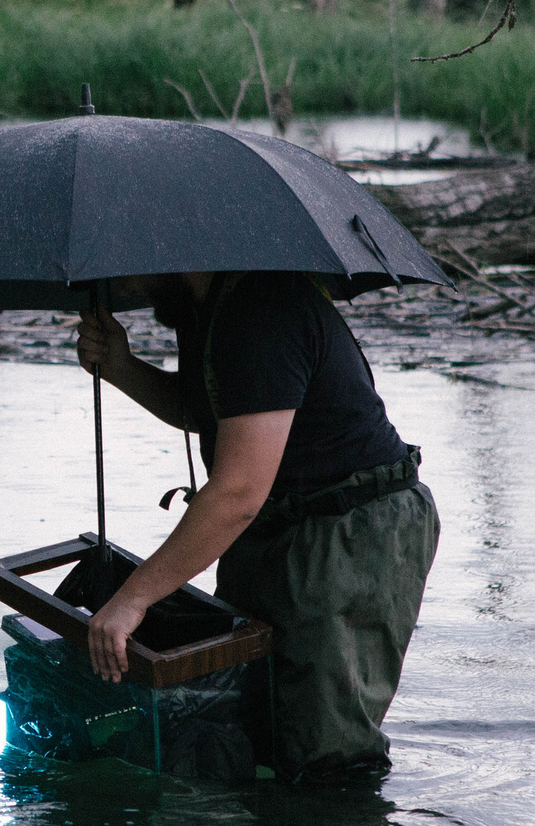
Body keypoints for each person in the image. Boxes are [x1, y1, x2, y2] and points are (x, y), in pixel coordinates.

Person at [77, 271, 438, 783]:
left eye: (131, 267)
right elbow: (209, 411)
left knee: (324, 749)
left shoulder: (262, 308)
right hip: (276, 527)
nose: (127, 286)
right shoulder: (204, 306)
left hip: (348, 532)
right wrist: (120, 367)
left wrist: (133, 600)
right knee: (253, 721)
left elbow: (238, 493)